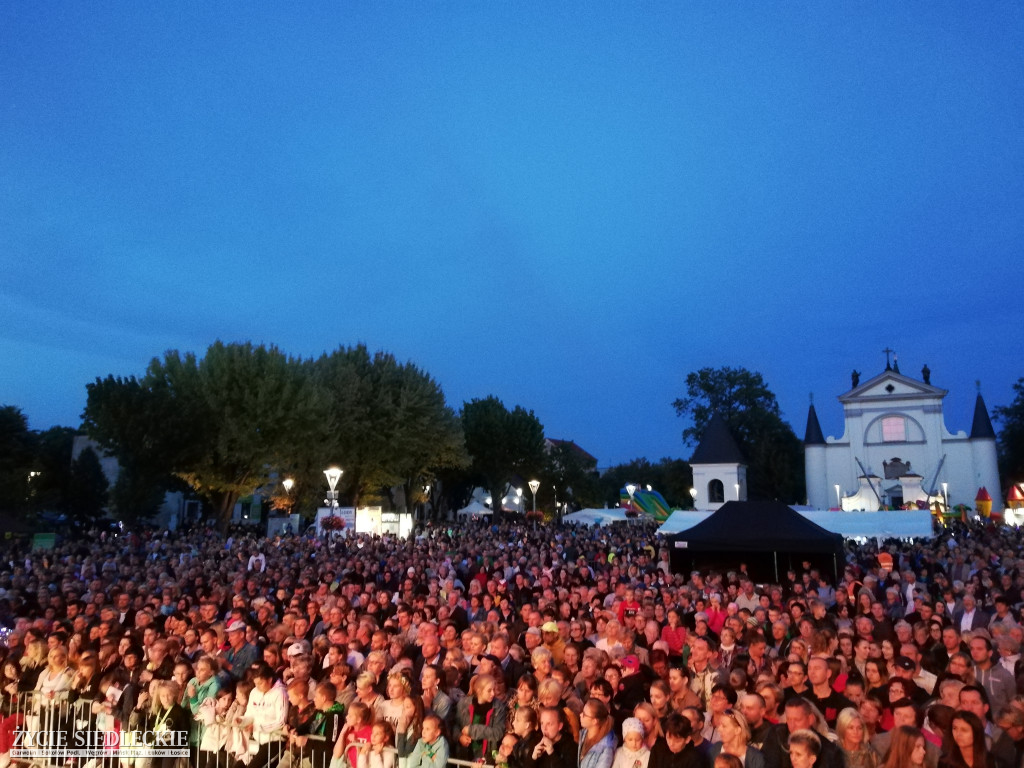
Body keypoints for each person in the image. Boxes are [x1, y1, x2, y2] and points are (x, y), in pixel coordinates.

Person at [453, 673, 506, 761]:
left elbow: (498, 732)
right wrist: (459, 737)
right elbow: (455, 725)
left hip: (486, 755)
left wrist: (472, 730)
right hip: (465, 753)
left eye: (494, 690)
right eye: (489, 690)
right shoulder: (463, 704)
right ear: (479, 690)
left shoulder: (498, 707)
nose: (493, 693)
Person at [578, 698, 616, 768]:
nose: (580, 715)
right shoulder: (583, 734)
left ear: (594, 721)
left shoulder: (606, 748)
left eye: (584, 714)